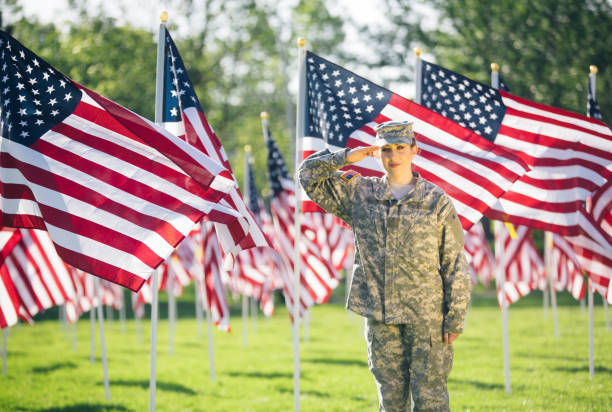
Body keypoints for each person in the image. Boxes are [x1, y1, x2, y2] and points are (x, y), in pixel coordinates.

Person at [298, 120, 470, 412]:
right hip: (380, 315)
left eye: (400, 148)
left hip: (426, 318)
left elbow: (454, 261)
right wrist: (347, 156)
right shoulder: (359, 194)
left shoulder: (436, 200)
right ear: (377, 153)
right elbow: (307, 175)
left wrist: (455, 317)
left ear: (414, 150)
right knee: (390, 401)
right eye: (386, 149)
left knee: (431, 399)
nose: (394, 155)